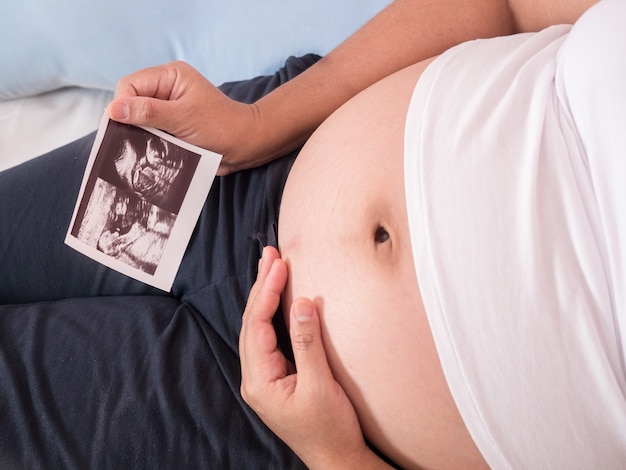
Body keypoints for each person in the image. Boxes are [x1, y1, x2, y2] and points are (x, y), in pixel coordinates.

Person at [1, 0, 623, 468]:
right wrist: (257, 123)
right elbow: (508, 4)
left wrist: (337, 458)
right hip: (249, 165)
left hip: (279, 416)